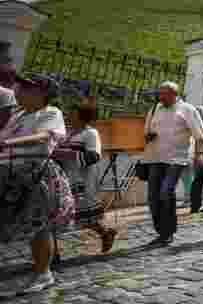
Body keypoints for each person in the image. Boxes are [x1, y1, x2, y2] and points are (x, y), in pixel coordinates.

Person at [0, 73, 75, 294]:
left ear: (41, 94)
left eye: (25, 87)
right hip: (10, 174)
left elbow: (44, 136)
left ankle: (43, 274)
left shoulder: (51, 112)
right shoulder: (18, 114)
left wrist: (7, 143)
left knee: (39, 226)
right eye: (19, 86)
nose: (18, 89)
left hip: (36, 175)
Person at [142, 81, 203, 246]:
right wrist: (148, 136)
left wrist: (199, 154)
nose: (160, 97)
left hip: (176, 159)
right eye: (160, 93)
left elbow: (200, 135)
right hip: (155, 157)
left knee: (166, 192)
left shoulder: (187, 109)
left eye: (164, 94)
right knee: (152, 197)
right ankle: (161, 231)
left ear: (174, 94)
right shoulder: (155, 109)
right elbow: (146, 133)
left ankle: (168, 232)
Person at [53, 97, 117, 252]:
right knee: (55, 216)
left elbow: (94, 156)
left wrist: (67, 154)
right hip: (63, 179)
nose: (68, 115)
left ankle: (105, 232)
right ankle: (52, 253)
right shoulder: (66, 133)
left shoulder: (90, 133)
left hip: (82, 180)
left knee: (84, 217)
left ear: (83, 115)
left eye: (73, 113)